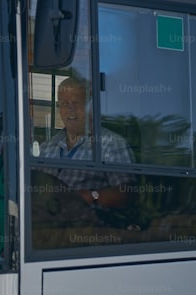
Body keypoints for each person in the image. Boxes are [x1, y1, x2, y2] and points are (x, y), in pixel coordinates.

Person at [38, 76, 134, 209]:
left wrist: (91, 196)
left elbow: (127, 193)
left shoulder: (111, 143)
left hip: (89, 225)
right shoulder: (46, 148)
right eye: (65, 104)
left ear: (90, 107)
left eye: (76, 103)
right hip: (44, 222)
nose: (70, 109)